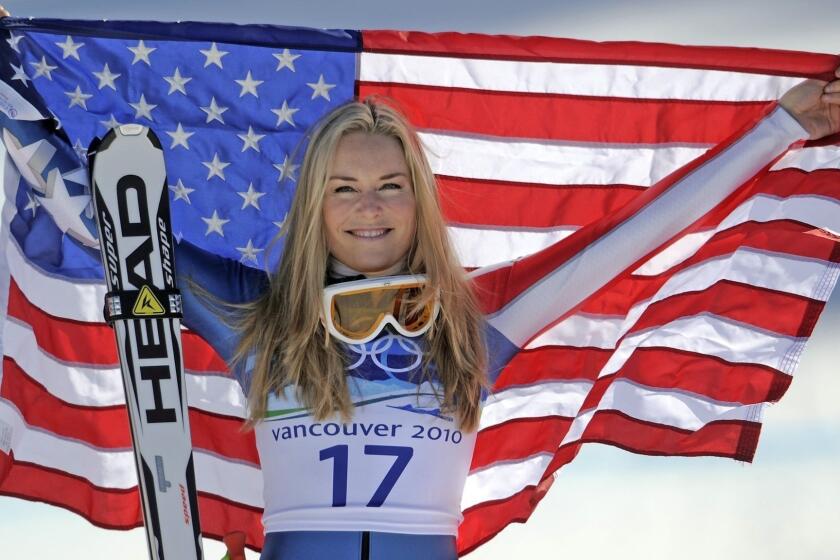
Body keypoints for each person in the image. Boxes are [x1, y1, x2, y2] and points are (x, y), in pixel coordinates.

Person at [173, 67, 840, 560]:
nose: (368, 207)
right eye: (343, 189)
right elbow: (117, 229)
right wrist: (64, 158)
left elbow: (633, 236)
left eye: (390, 188)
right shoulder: (253, 315)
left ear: (419, 202)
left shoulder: (474, 320)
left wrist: (784, 127)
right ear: (315, 203)